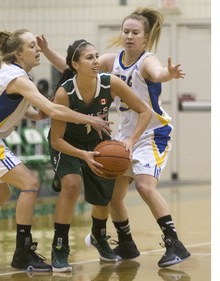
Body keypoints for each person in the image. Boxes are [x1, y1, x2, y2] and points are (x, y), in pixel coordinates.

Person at [0, 29, 113, 272]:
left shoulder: (14, 75)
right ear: (18, 53)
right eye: (31, 46)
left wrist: (42, 109)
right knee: (30, 183)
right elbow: (53, 112)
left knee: (1, 195)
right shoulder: (17, 77)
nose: (38, 49)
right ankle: (22, 252)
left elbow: (34, 112)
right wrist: (89, 119)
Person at [37, 6, 190, 268]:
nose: (129, 36)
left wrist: (169, 74)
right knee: (113, 196)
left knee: (143, 186)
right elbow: (74, 67)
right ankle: (126, 243)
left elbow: (157, 74)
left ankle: (174, 243)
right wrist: (48, 50)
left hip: (153, 132)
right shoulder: (112, 60)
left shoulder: (147, 60)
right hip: (125, 135)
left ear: (145, 37)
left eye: (135, 32)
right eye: (126, 31)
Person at [45, 39, 152, 272]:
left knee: (104, 191)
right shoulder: (65, 93)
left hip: (97, 142)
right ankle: (60, 247)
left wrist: (130, 140)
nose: (96, 62)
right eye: (89, 58)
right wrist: (83, 155)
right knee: (72, 186)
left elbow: (145, 110)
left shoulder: (109, 82)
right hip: (67, 145)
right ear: (75, 64)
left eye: (96, 56)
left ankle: (100, 236)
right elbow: (56, 140)